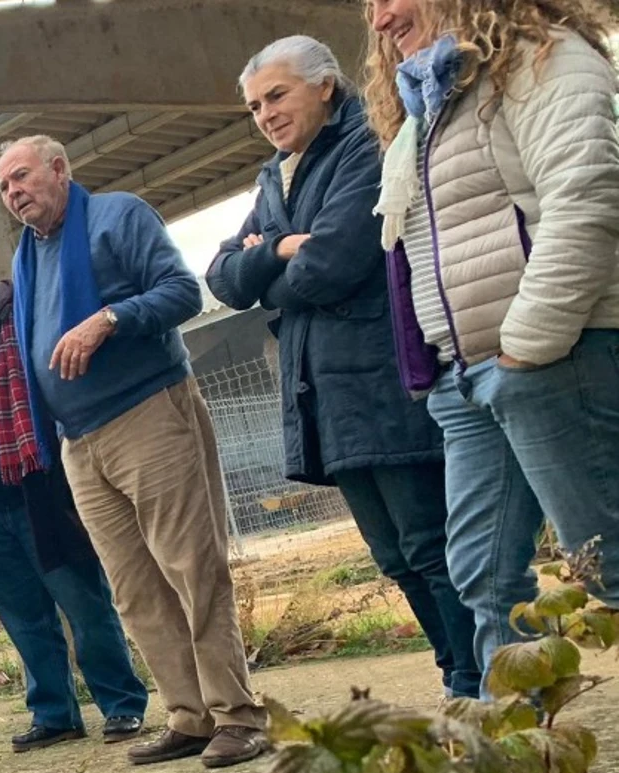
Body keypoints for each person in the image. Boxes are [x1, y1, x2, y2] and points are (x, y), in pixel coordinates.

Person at [207, 36, 476, 699]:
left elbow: (332, 266)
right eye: (254, 106)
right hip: (324, 396)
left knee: (430, 545)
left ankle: (477, 680)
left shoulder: (364, 144)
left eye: (276, 95)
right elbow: (222, 277)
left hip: (382, 382)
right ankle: (456, 676)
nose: (265, 114)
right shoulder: (278, 174)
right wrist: (281, 248)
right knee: (395, 557)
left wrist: (265, 258)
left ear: (324, 86)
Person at [366, 0, 619, 689]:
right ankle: (511, 772)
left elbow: (586, 194)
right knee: (483, 574)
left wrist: (526, 350)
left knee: (610, 563)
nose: (382, 18)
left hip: (553, 361)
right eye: (369, 5)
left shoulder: (541, 60)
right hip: (468, 379)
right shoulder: (424, 110)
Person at [0, 134, 267, 769]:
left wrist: (109, 319)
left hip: (146, 412)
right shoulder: (27, 255)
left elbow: (183, 292)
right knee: (134, 588)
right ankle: (189, 715)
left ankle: (237, 714)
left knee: (192, 567)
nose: (14, 193)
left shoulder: (118, 215)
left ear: (60, 169)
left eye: (23, 177)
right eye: (5, 187)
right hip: (78, 441)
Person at [0, 250, 151, 752]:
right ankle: (54, 714)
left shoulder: (25, 319)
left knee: (85, 605)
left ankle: (122, 704)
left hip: (40, 493)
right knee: (25, 620)